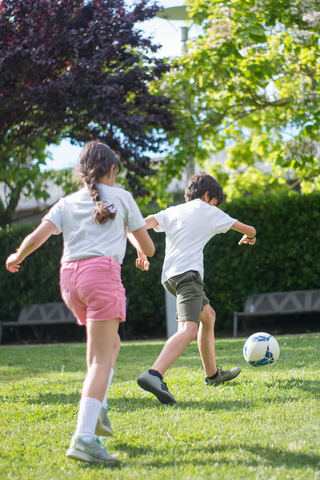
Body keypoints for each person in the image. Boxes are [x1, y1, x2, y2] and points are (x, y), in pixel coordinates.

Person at [5, 141, 155, 464]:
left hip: (70, 281)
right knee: (103, 358)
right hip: (101, 277)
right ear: (111, 170)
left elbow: (37, 237)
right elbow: (150, 247)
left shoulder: (68, 201)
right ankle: (85, 437)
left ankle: (97, 406)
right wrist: (142, 249)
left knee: (108, 344)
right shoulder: (123, 197)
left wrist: (17, 256)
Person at [135, 172, 256, 405]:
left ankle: (212, 375)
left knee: (208, 316)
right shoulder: (210, 211)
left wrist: (141, 251)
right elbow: (249, 229)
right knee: (189, 330)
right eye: (214, 202)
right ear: (208, 195)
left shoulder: (172, 211)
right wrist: (248, 237)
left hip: (170, 277)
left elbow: (141, 225)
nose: (214, 206)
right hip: (188, 276)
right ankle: (154, 374)